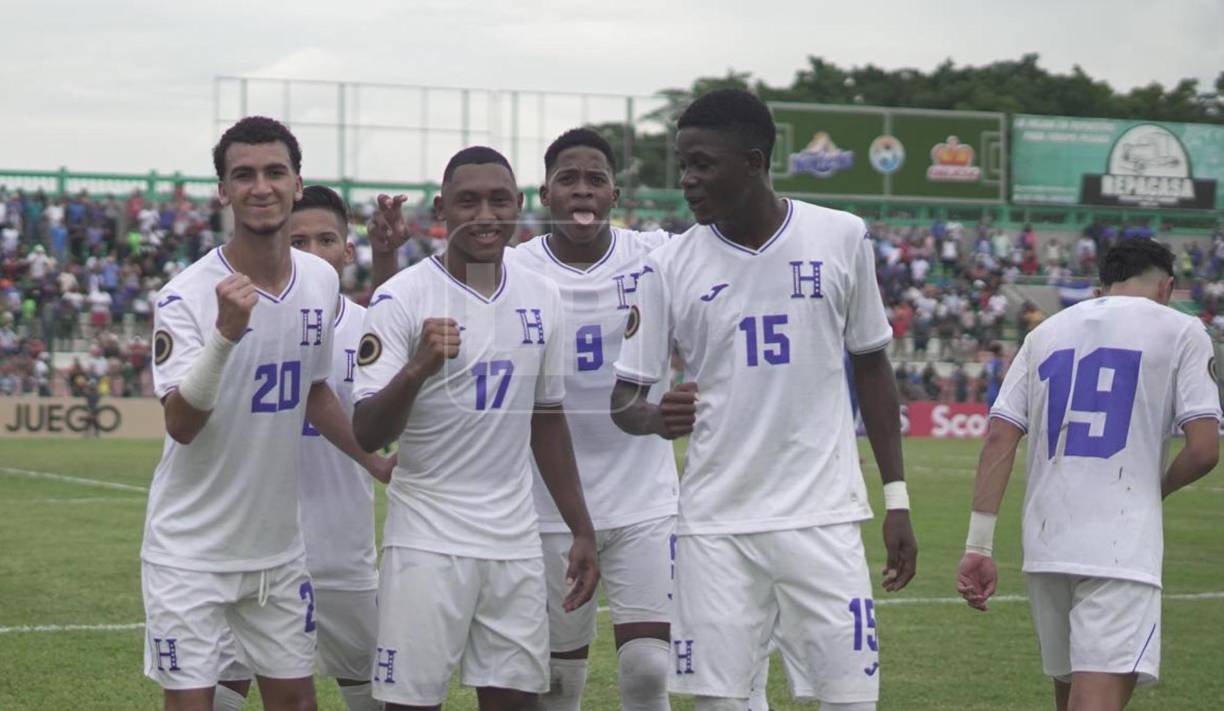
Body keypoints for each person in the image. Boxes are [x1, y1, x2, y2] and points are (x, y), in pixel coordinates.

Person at [610, 88, 918, 711]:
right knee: (720, 702)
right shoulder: (667, 266)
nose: (689, 181)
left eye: (703, 164)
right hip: (714, 526)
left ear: (753, 161)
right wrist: (654, 418)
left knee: (850, 700)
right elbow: (625, 401)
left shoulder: (841, 237)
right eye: (682, 165)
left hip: (823, 517)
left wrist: (897, 499)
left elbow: (873, 367)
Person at [141, 117, 385, 711]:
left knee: (297, 702)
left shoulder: (320, 281)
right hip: (191, 550)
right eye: (243, 175)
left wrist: (374, 461)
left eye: (275, 172)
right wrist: (225, 336)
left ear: (297, 184)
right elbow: (181, 422)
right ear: (223, 191)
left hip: (278, 551)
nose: (260, 186)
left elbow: (316, 388)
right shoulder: (186, 296)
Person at [352, 146, 600, 711]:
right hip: (427, 540)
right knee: (412, 703)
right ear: (441, 207)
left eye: (499, 200)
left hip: (513, 540)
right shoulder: (402, 297)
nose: (486, 215)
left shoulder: (543, 296)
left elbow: (548, 419)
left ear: (519, 206)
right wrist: (417, 367)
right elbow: (367, 432)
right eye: (469, 201)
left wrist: (581, 528)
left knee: (516, 701)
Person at [956, 239, 1221, 711]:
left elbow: (1000, 435)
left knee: (1069, 697)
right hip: (1119, 547)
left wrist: (978, 546)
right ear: (1168, 287)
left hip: (1047, 545)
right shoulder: (1182, 330)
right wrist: (1152, 490)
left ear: (1102, 286)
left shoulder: (1046, 332)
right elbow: (1204, 450)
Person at [212, 185, 391, 711]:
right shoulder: (242, 323)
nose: (314, 252)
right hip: (254, 547)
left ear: (347, 250)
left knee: (371, 694)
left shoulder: (370, 329)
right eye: (300, 241)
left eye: (326, 239)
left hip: (343, 550)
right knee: (224, 691)